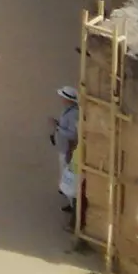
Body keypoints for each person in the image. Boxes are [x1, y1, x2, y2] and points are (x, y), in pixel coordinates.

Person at [51, 85, 81, 222]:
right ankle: (71, 204)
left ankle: (74, 208)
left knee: (69, 179)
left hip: (67, 150)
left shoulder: (74, 114)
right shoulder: (68, 111)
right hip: (63, 148)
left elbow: (73, 134)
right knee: (66, 177)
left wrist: (57, 127)